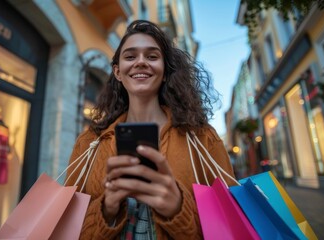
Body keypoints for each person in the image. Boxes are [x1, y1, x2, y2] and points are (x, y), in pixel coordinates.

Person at [65, 20, 236, 240]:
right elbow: (70, 229)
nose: (141, 62)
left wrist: (177, 208)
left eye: (152, 56)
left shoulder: (202, 138)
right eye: (130, 56)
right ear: (117, 71)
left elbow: (230, 228)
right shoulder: (89, 142)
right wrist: (107, 208)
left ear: (165, 71)